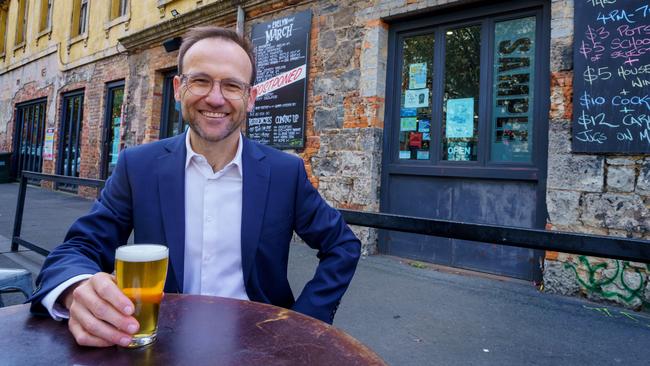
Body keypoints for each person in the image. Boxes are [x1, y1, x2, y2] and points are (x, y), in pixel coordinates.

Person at [28, 26, 361, 348]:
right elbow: (76, 250)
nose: (215, 98)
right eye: (200, 81)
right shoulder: (138, 166)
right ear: (177, 88)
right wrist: (78, 290)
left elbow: (342, 246)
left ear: (251, 98)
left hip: (261, 347)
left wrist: (304, 321)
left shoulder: (285, 172)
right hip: (157, 344)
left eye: (232, 85)